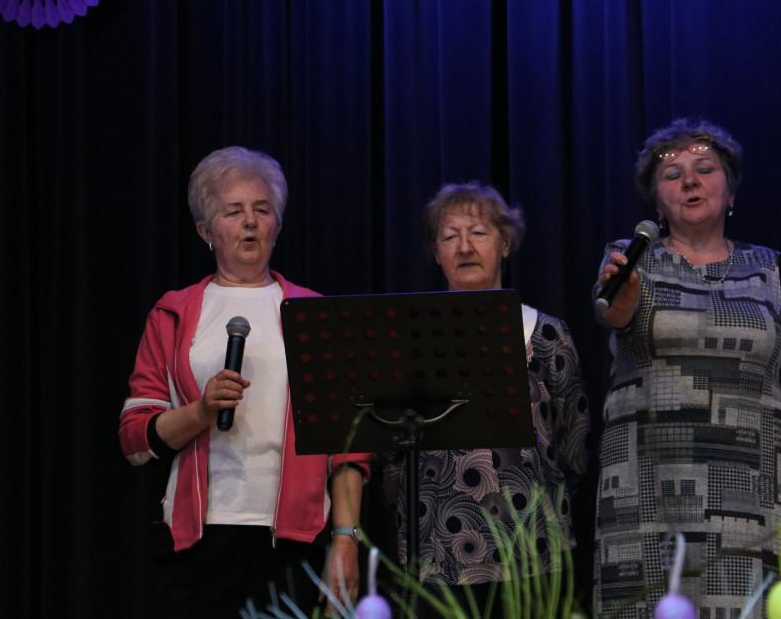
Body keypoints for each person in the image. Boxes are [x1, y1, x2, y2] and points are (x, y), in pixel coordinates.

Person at [118, 146, 371, 618]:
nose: (250, 222)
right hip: (197, 543)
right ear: (205, 231)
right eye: (234, 211)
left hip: (296, 543)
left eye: (262, 209)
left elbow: (347, 448)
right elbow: (135, 439)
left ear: (278, 225)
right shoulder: (172, 313)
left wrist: (345, 538)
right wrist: (201, 411)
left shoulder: (316, 314)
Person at [593, 118, 781, 617]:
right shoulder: (630, 259)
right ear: (658, 206)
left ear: (730, 192)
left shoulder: (773, 269)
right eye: (673, 174)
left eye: (704, 169)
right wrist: (623, 298)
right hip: (646, 492)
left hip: (749, 491)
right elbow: (610, 312)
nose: (689, 181)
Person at [381, 181, 591, 615]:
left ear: (505, 243)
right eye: (449, 236)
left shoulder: (546, 334)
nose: (464, 247)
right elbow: (390, 452)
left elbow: (574, 443)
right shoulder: (407, 338)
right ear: (435, 251)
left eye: (478, 233)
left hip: (533, 548)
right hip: (434, 552)